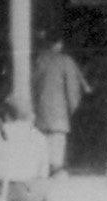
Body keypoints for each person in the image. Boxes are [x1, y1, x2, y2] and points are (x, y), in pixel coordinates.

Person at [30, 33, 86, 177]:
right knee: (56, 160)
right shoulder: (66, 61)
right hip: (59, 116)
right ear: (59, 44)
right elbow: (72, 90)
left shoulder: (39, 60)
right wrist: (74, 110)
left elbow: (32, 86)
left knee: (41, 157)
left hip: (40, 114)